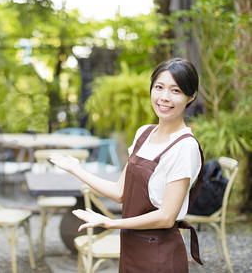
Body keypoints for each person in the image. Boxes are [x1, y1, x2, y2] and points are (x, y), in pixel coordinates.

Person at [49, 58, 204, 273]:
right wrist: (77, 170)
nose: (164, 97)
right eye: (159, 87)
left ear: (191, 96)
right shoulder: (144, 134)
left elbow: (167, 217)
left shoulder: (185, 146)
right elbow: (120, 192)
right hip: (131, 247)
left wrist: (111, 223)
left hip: (159, 254)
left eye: (176, 91)